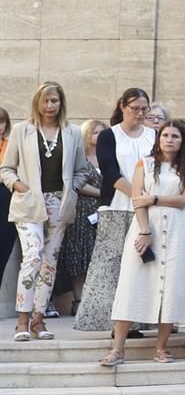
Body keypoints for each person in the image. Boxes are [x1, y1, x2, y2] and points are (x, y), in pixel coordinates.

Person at [101, 120, 185, 367]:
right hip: (148, 226)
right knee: (132, 284)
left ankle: (161, 347)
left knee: (172, 286)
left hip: (179, 229)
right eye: (165, 135)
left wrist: (155, 197)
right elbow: (138, 199)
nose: (169, 140)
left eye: (175, 136)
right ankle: (117, 349)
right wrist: (145, 230)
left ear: (182, 141)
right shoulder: (144, 164)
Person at [2, 81, 83, 341]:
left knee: (49, 263)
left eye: (55, 101)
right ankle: (22, 320)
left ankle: (38, 320)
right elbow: (6, 168)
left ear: (61, 103)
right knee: (33, 256)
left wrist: (73, 188)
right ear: (37, 102)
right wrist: (17, 184)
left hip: (59, 203)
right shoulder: (23, 131)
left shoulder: (72, 133)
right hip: (28, 202)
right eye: (46, 100)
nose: (50, 105)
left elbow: (81, 170)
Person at [77, 89, 154, 333]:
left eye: (144, 109)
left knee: (143, 263)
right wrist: (138, 196)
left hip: (148, 207)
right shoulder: (110, 135)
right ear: (123, 107)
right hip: (117, 206)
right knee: (112, 264)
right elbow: (110, 173)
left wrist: (147, 199)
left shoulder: (153, 135)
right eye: (135, 109)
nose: (140, 114)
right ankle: (114, 320)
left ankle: (140, 318)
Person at [59, 118, 106, 323]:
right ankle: (78, 300)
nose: (99, 137)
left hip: (104, 210)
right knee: (79, 254)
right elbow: (77, 183)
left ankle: (98, 302)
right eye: (95, 133)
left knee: (99, 255)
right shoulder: (80, 157)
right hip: (83, 209)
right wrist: (102, 192)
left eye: (102, 133)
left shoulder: (108, 157)